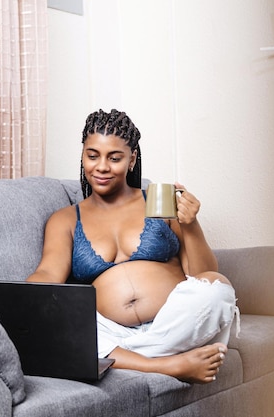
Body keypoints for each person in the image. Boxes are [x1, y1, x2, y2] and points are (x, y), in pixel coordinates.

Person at [27, 109, 239, 384]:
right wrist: (19, 299)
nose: (101, 167)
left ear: (132, 160)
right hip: (109, 331)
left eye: (114, 158)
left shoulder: (158, 201)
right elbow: (47, 274)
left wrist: (190, 224)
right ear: (83, 155)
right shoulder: (66, 219)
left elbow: (200, 274)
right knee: (57, 319)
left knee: (216, 288)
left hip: (172, 326)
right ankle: (168, 364)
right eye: (93, 156)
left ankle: (121, 359)